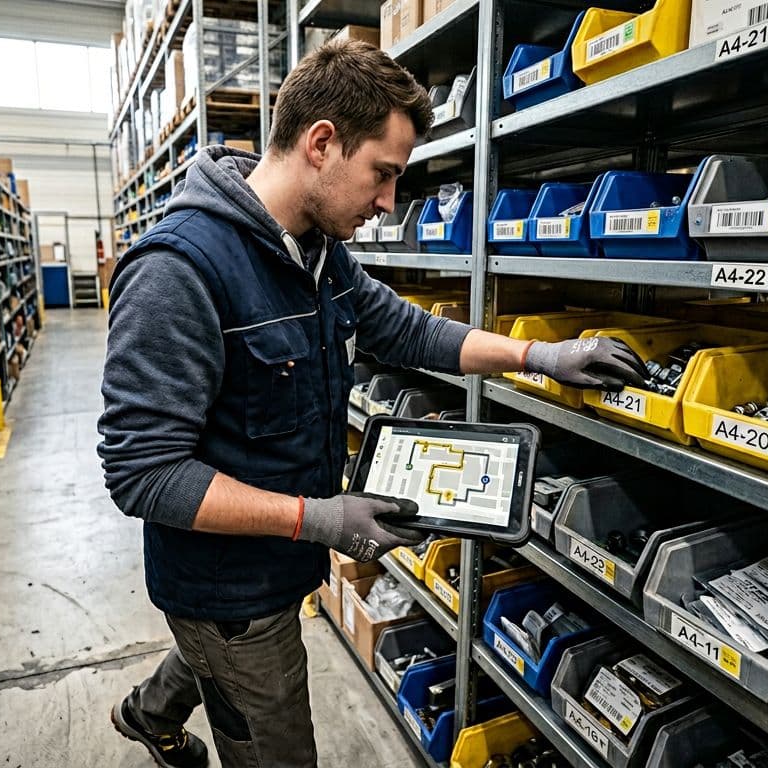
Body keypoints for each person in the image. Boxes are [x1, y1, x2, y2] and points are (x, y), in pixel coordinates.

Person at [98, 39, 645, 768]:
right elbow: (144, 474)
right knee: (262, 714)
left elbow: (407, 329)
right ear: (321, 144)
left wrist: (538, 357)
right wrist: (320, 517)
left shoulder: (315, 250)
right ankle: (173, 694)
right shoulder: (178, 272)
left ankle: (147, 712)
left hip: (277, 564)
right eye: (383, 174)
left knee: (214, 655)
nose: (389, 202)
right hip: (231, 589)